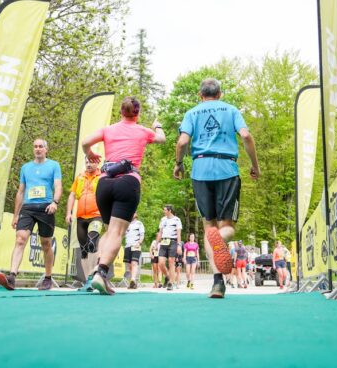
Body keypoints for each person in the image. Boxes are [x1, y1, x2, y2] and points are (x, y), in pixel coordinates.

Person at [174, 78, 260, 299]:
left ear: (200, 95)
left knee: (209, 227)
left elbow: (182, 142)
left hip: (200, 170)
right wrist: (254, 166)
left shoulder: (192, 113)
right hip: (227, 169)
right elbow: (246, 136)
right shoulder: (231, 110)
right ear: (220, 94)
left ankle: (217, 283)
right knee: (226, 227)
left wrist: (178, 164)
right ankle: (220, 239)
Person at [81, 97, 165, 295]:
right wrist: (158, 126)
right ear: (138, 113)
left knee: (109, 230)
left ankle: (96, 271)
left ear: (121, 112)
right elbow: (162, 139)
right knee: (118, 232)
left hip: (104, 183)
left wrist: (91, 154)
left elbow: (85, 142)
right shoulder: (143, 131)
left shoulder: (108, 129)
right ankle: (102, 272)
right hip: (127, 181)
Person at [0, 139, 62, 291]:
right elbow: (20, 191)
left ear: (46, 149)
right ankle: (12, 276)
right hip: (28, 208)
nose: (38, 149)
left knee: (46, 244)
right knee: (20, 239)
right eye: (35, 147)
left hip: (46, 207)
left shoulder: (53, 165)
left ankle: (47, 278)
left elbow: (58, 186)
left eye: (41, 147)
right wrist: (15, 215)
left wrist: (55, 203)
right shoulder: (26, 167)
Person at [65, 159, 102, 289]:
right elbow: (72, 195)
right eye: (86, 162)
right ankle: (88, 281)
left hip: (96, 216)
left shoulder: (102, 176)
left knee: (92, 242)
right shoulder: (80, 177)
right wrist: (68, 213)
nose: (88, 164)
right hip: (80, 217)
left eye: (92, 162)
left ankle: (93, 275)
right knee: (84, 250)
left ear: (98, 163)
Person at [157, 204, 182, 291]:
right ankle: (167, 276)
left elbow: (179, 233)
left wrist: (179, 245)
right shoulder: (163, 219)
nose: (163, 211)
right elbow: (160, 232)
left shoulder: (177, 220)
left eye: (165, 210)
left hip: (173, 242)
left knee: (171, 262)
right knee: (161, 263)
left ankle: (171, 282)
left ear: (169, 211)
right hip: (163, 242)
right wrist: (156, 243)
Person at [123, 213, 145, 289]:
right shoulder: (126, 224)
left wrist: (139, 243)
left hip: (136, 245)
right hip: (127, 246)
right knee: (129, 265)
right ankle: (132, 283)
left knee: (134, 263)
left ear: (136, 215)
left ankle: (133, 280)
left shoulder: (139, 223)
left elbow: (142, 235)